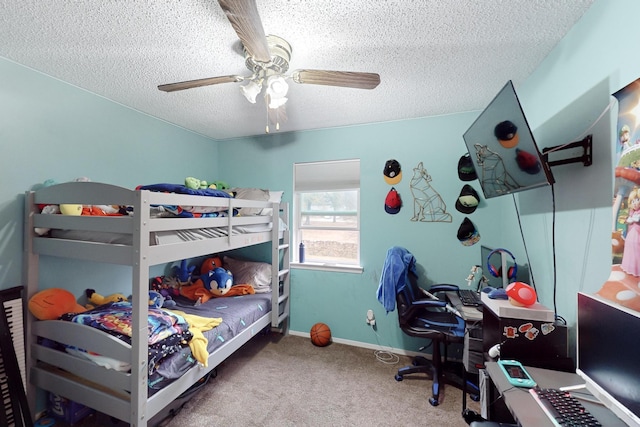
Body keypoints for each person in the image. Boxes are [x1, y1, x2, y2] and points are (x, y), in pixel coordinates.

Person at [622, 187, 640, 276]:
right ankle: (629, 266)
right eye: (633, 201)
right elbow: (629, 220)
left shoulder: (638, 214)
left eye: (637, 200)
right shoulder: (632, 212)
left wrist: (631, 219)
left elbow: (636, 219)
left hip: (638, 234)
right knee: (630, 248)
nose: (635, 203)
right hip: (631, 234)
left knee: (637, 249)